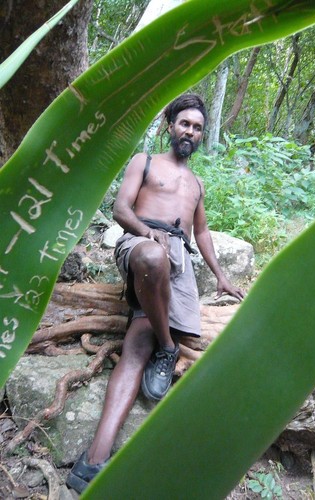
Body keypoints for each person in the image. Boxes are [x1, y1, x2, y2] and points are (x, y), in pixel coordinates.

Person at [67, 93, 245, 493]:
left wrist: (219, 275)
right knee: (152, 256)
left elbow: (200, 234)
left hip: (178, 261)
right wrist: (149, 234)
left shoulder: (197, 185)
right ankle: (169, 346)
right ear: (170, 126)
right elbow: (121, 208)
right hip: (140, 245)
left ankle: (92, 463)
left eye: (197, 127)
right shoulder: (144, 162)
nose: (191, 131)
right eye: (185, 123)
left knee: (137, 344)